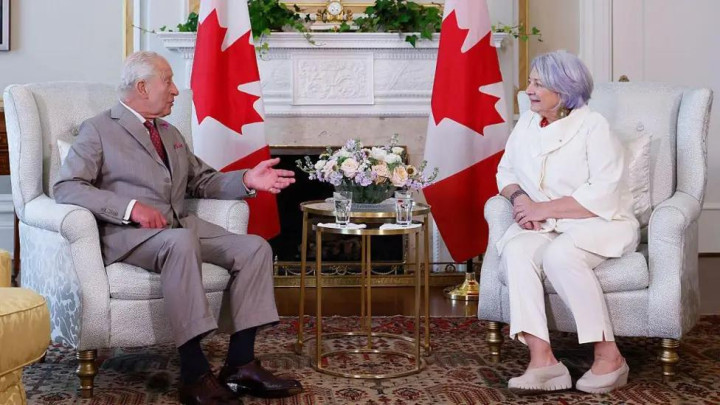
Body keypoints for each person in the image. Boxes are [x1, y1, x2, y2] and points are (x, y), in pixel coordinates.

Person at [54, 51, 302, 405]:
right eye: (167, 81)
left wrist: (247, 179)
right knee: (181, 242)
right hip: (128, 235)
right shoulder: (98, 129)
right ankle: (194, 374)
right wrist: (130, 208)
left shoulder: (169, 132)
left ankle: (240, 364)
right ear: (142, 87)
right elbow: (67, 187)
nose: (175, 91)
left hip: (177, 227)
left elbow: (202, 181)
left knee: (254, 248)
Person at [495, 50, 639, 393]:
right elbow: (505, 171)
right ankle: (543, 362)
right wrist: (520, 200)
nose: (529, 90)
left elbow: (603, 193)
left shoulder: (594, 126)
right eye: (530, 81)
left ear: (564, 90)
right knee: (516, 251)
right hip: (545, 224)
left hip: (599, 222)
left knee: (559, 255)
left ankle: (610, 357)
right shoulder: (527, 123)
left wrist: (541, 209)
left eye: (538, 84)